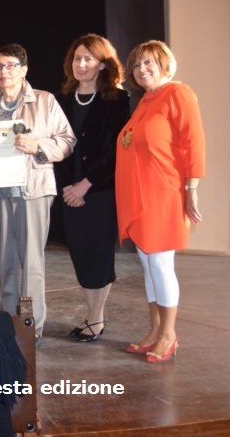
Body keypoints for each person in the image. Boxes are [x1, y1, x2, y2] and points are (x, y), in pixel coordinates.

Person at [0, 44, 75, 341]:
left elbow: (67, 141)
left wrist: (37, 145)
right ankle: (7, 322)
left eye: (11, 65)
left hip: (33, 191)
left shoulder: (44, 101)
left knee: (31, 263)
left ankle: (30, 327)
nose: (4, 71)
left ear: (24, 70)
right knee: (4, 262)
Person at [116, 40, 205, 363]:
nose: (141, 69)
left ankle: (169, 334)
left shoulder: (178, 93)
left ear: (165, 64)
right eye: (137, 65)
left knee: (161, 265)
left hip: (163, 193)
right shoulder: (146, 100)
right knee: (149, 265)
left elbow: (194, 141)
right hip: (141, 196)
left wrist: (191, 188)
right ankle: (155, 329)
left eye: (149, 63)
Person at [55, 34, 130, 342]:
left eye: (88, 59)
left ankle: (95, 318)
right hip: (68, 191)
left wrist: (85, 185)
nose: (81, 64)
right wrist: (68, 188)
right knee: (80, 254)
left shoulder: (117, 99)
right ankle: (92, 315)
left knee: (99, 255)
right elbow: (57, 144)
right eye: (77, 58)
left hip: (100, 191)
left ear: (102, 64)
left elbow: (115, 150)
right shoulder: (61, 99)